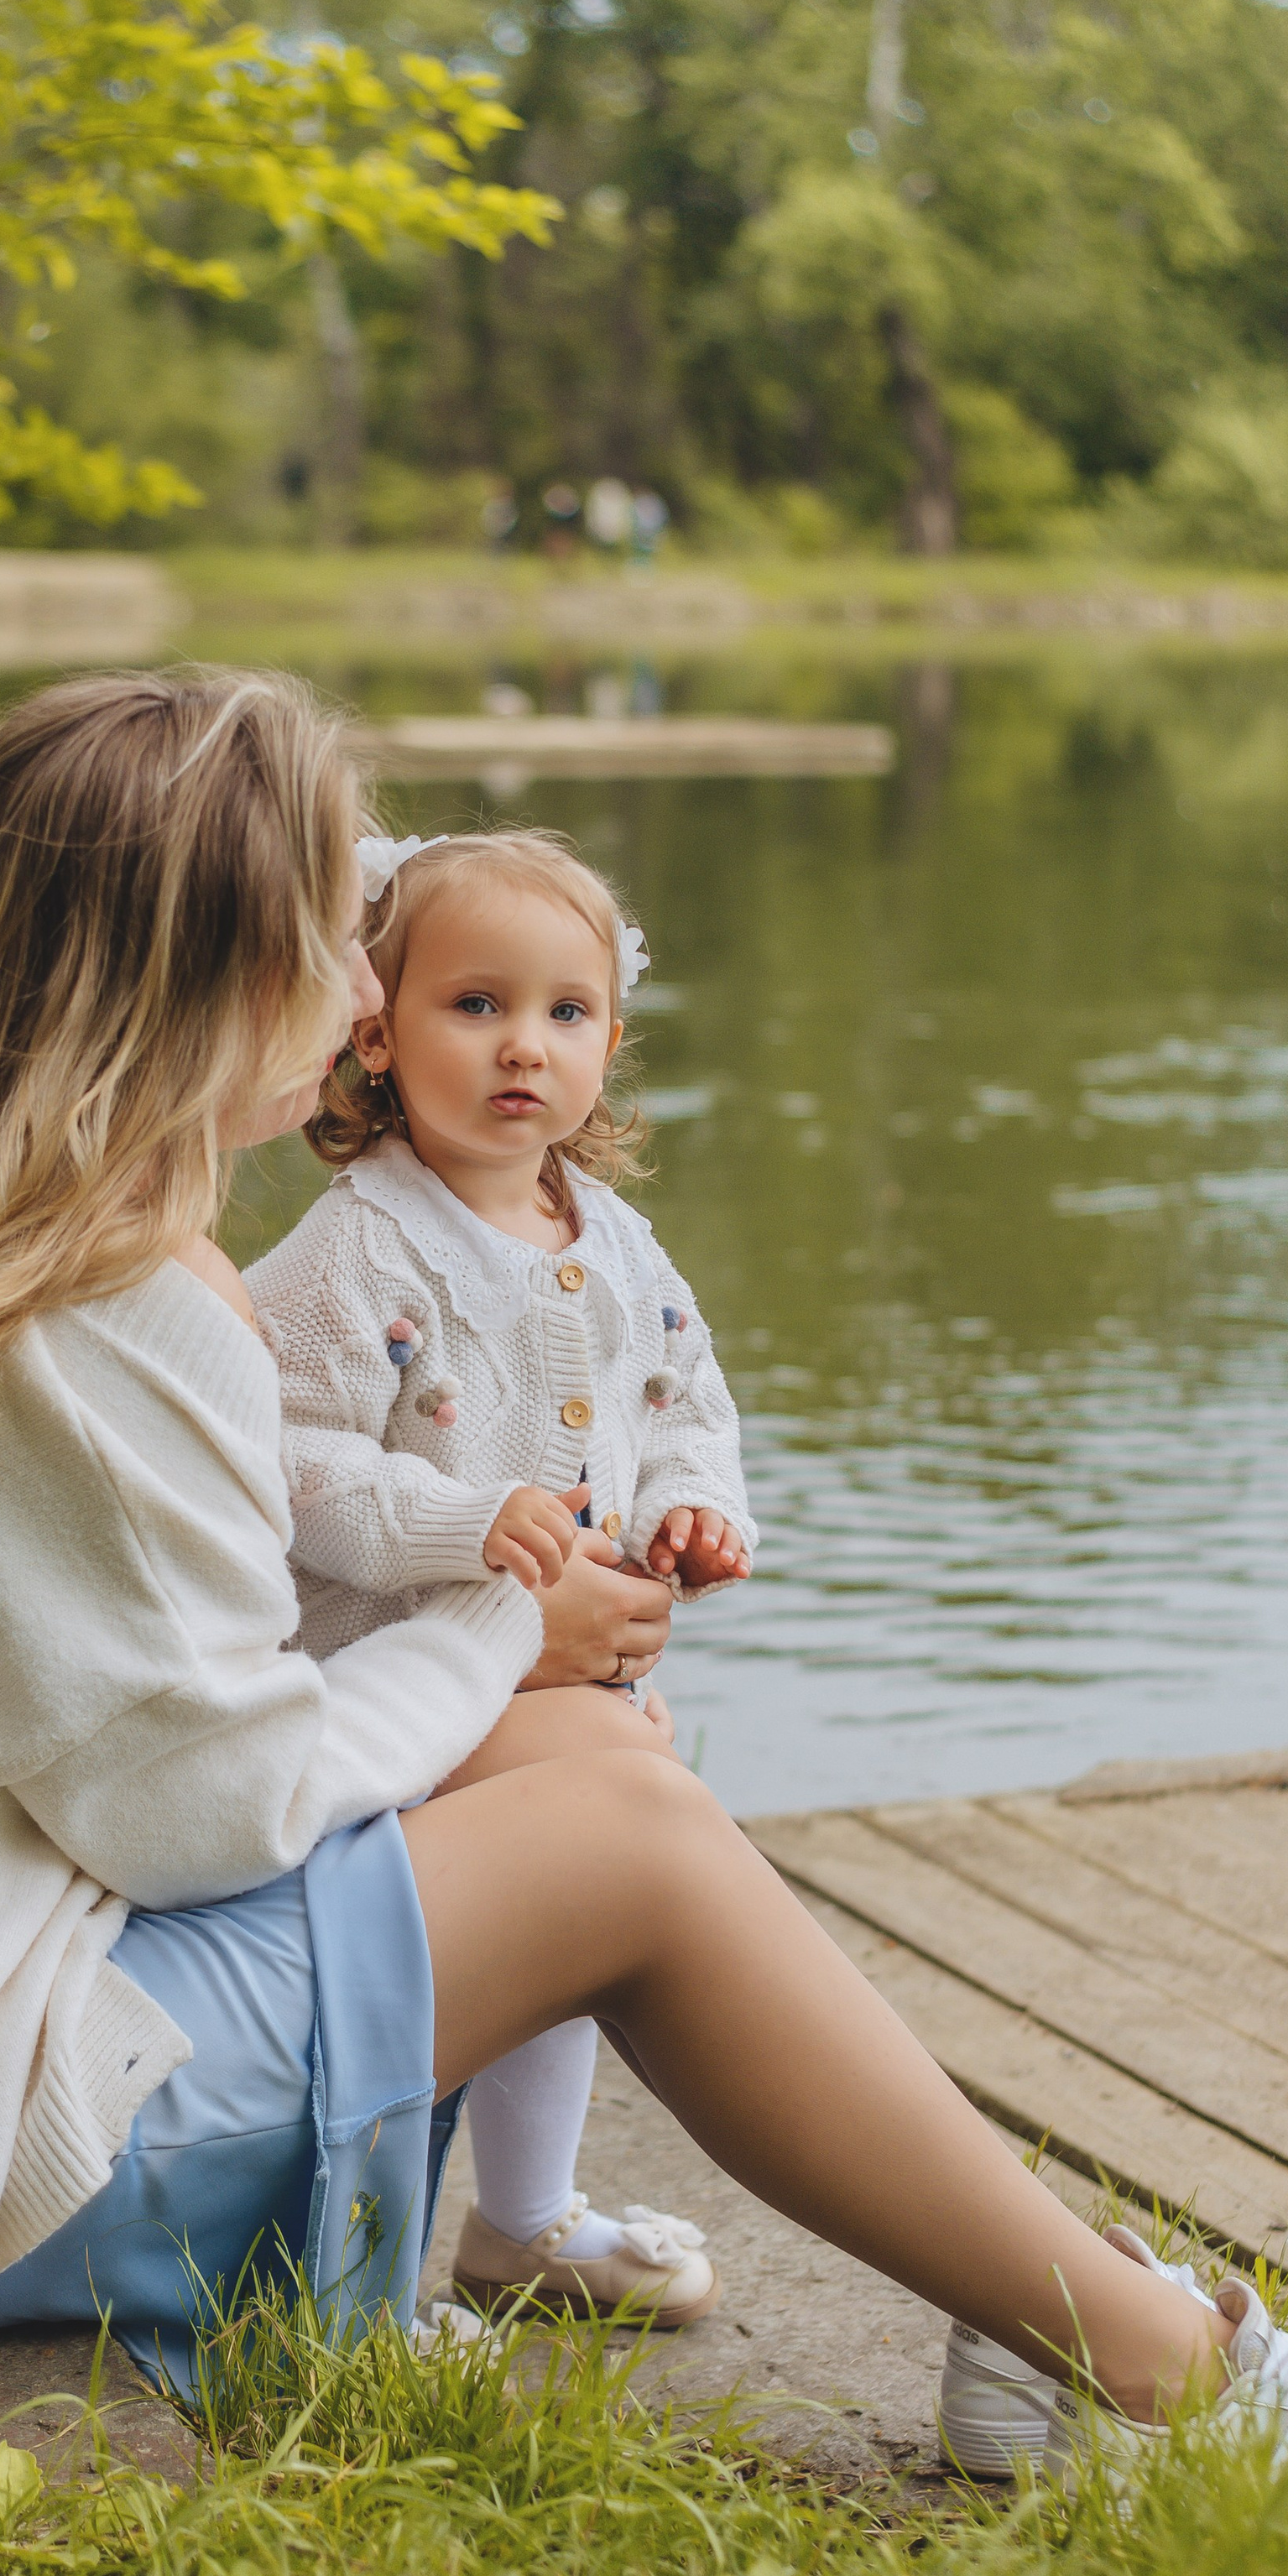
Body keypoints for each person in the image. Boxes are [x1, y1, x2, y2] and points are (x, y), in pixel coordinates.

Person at [0, 669, 1288, 2471]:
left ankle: (1052, 2320)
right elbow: (210, 1810)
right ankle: (1156, 2371)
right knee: (625, 1838)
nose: (358, 974)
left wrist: (526, 1679)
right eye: (331, 932)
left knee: (605, 1765)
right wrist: (499, 1621)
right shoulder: (98, 1311)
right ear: (211, 988)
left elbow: (149, 1748)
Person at [245, 825, 751, 2330]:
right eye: (475, 1006)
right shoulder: (361, 1249)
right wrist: (460, 1524)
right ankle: (369, 2269)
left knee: (571, 1935)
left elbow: (689, 1405)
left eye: (566, 1012)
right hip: (388, 1693)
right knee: (433, 1975)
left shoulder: (620, 1244)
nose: (523, 1046)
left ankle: (524, 2222)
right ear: (379, 1032)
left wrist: (692, 1512)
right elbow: (278, 1454)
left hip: (554, 1679)